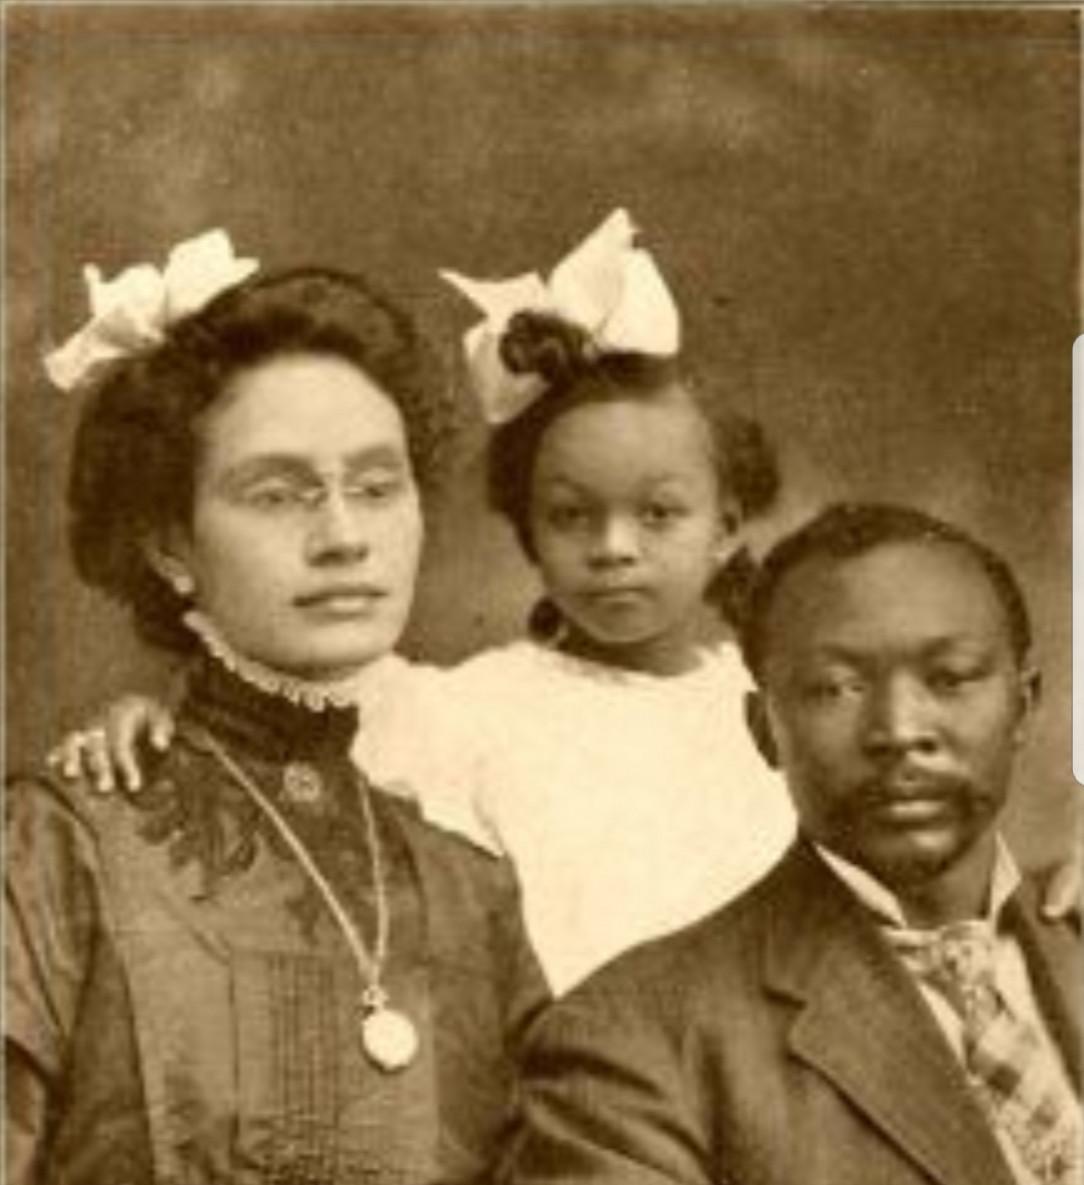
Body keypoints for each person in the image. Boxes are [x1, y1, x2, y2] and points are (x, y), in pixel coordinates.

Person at [6, 230, 545, 1185]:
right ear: (169, 543)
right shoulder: (60, 842)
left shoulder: (462, 889)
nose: (346, 535)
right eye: (278, 491)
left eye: (377, 482)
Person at [46, 208, 797, 996]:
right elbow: (280, 709)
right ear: (529, 529)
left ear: (728, 525)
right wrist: (150, 717)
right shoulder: (461, 707)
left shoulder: (766, 710)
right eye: (573, 515)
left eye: (659, 513)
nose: (614, 547)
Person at [512, 502, 1081, 1185]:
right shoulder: (633, 1037)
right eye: (830, 687)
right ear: (761, 727)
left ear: (1025, 705)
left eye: (950, 679)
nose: (901, 731)